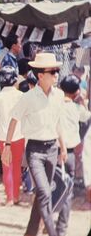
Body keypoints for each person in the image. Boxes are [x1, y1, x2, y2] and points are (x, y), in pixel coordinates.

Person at [2, 53, 66, 236]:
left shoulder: (59, 96)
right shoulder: (28, 97)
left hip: (52, 149)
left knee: (42, 195)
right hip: (35, 151)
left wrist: (62, 147)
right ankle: (53, 233)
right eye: (52, 71)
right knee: (45, 192)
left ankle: (30, 232)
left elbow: (58, 122)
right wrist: (7, 145)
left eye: (57, 71)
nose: (56, 75)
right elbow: (14, 119)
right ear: (40, 75)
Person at [55, 74, 91, 235]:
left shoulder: (54, 105)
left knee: (50, 188)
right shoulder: (77, 109)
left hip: (53, 151)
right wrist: (82, 101)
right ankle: (61, 228)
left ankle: (44, 222)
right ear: (77, 91)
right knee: (67, 191)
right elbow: (87, 116)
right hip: (69, 153)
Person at [0, 66, 24, 205]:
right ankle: (16, 196)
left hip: (3, 137)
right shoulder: (21, 96)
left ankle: (9, 198)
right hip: (20, 135)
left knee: (7, 167)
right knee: (17, 166)